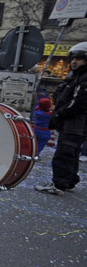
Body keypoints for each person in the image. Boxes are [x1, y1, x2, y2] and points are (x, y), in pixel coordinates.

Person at [35, 42, 87, 196]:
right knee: (71, 154)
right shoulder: (76, 76)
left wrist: (59, 114)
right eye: (73, 58)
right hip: (71, 124)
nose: (74, 62)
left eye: (80, 59)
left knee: (64, 154)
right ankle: (70, 181)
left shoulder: (84, 79)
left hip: (75, 124)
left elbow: (78, 103)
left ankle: (59, 184)